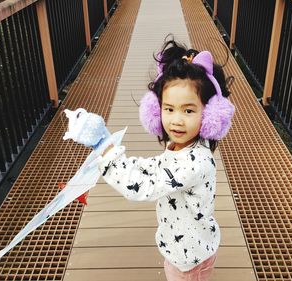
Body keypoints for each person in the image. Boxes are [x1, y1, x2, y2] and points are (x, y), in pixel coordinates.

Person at [97, 39, 235, 280]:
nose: (177, 120)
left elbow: (144, 187)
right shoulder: (182, 146)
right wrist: (129, 163)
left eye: (189, 110)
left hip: (189, 259)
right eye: (169, 109)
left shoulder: (196, 162)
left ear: (211, 114)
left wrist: (111, 161)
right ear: (156, 109)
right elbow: (159, 167)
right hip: (183, 247)